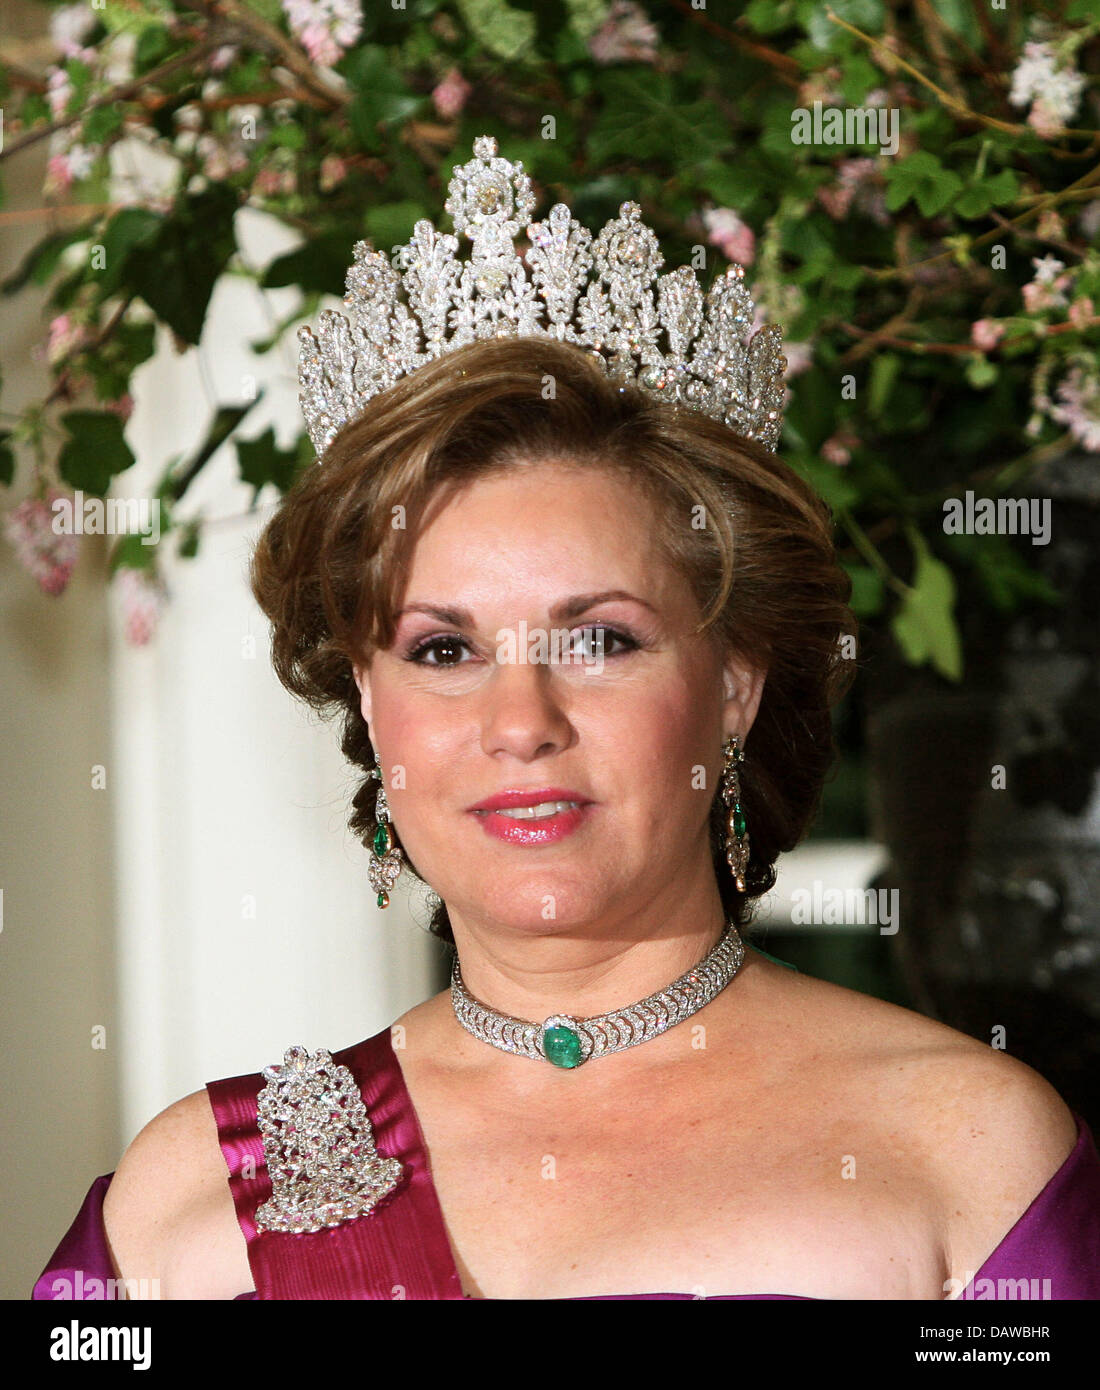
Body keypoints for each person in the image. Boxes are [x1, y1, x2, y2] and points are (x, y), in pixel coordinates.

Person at [33, 136, 1100, 1301]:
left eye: (599, 640)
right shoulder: (188, 1194)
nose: (519, 719)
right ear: (370, 707)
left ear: (732, 687)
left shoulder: (966, 1155)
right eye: (443, 648)